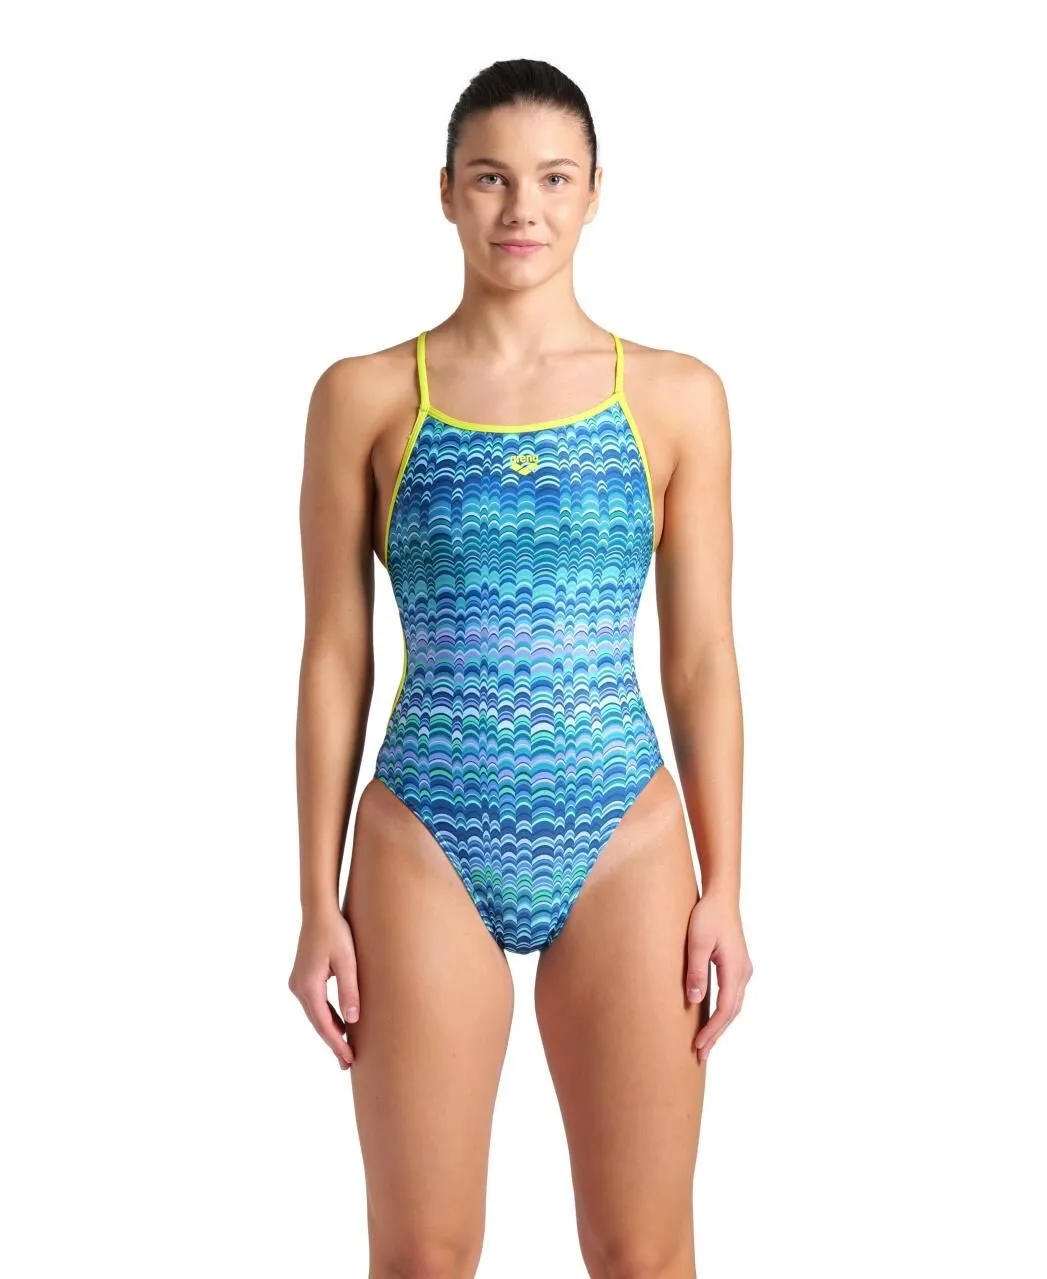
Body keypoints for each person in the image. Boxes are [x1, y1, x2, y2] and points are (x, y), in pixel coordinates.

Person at [289, 56, 752, 1279]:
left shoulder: (675, 397)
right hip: (425, 832)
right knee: (424, 1256)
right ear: (446, 191)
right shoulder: (366, 397)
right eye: (491, 178)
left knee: (643, 1254)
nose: (521, 209)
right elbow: (335, 654)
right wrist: (315, 899)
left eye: (552, 178)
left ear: (596, 192)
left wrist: (725, 885)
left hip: (624, 833)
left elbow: (702, 657)